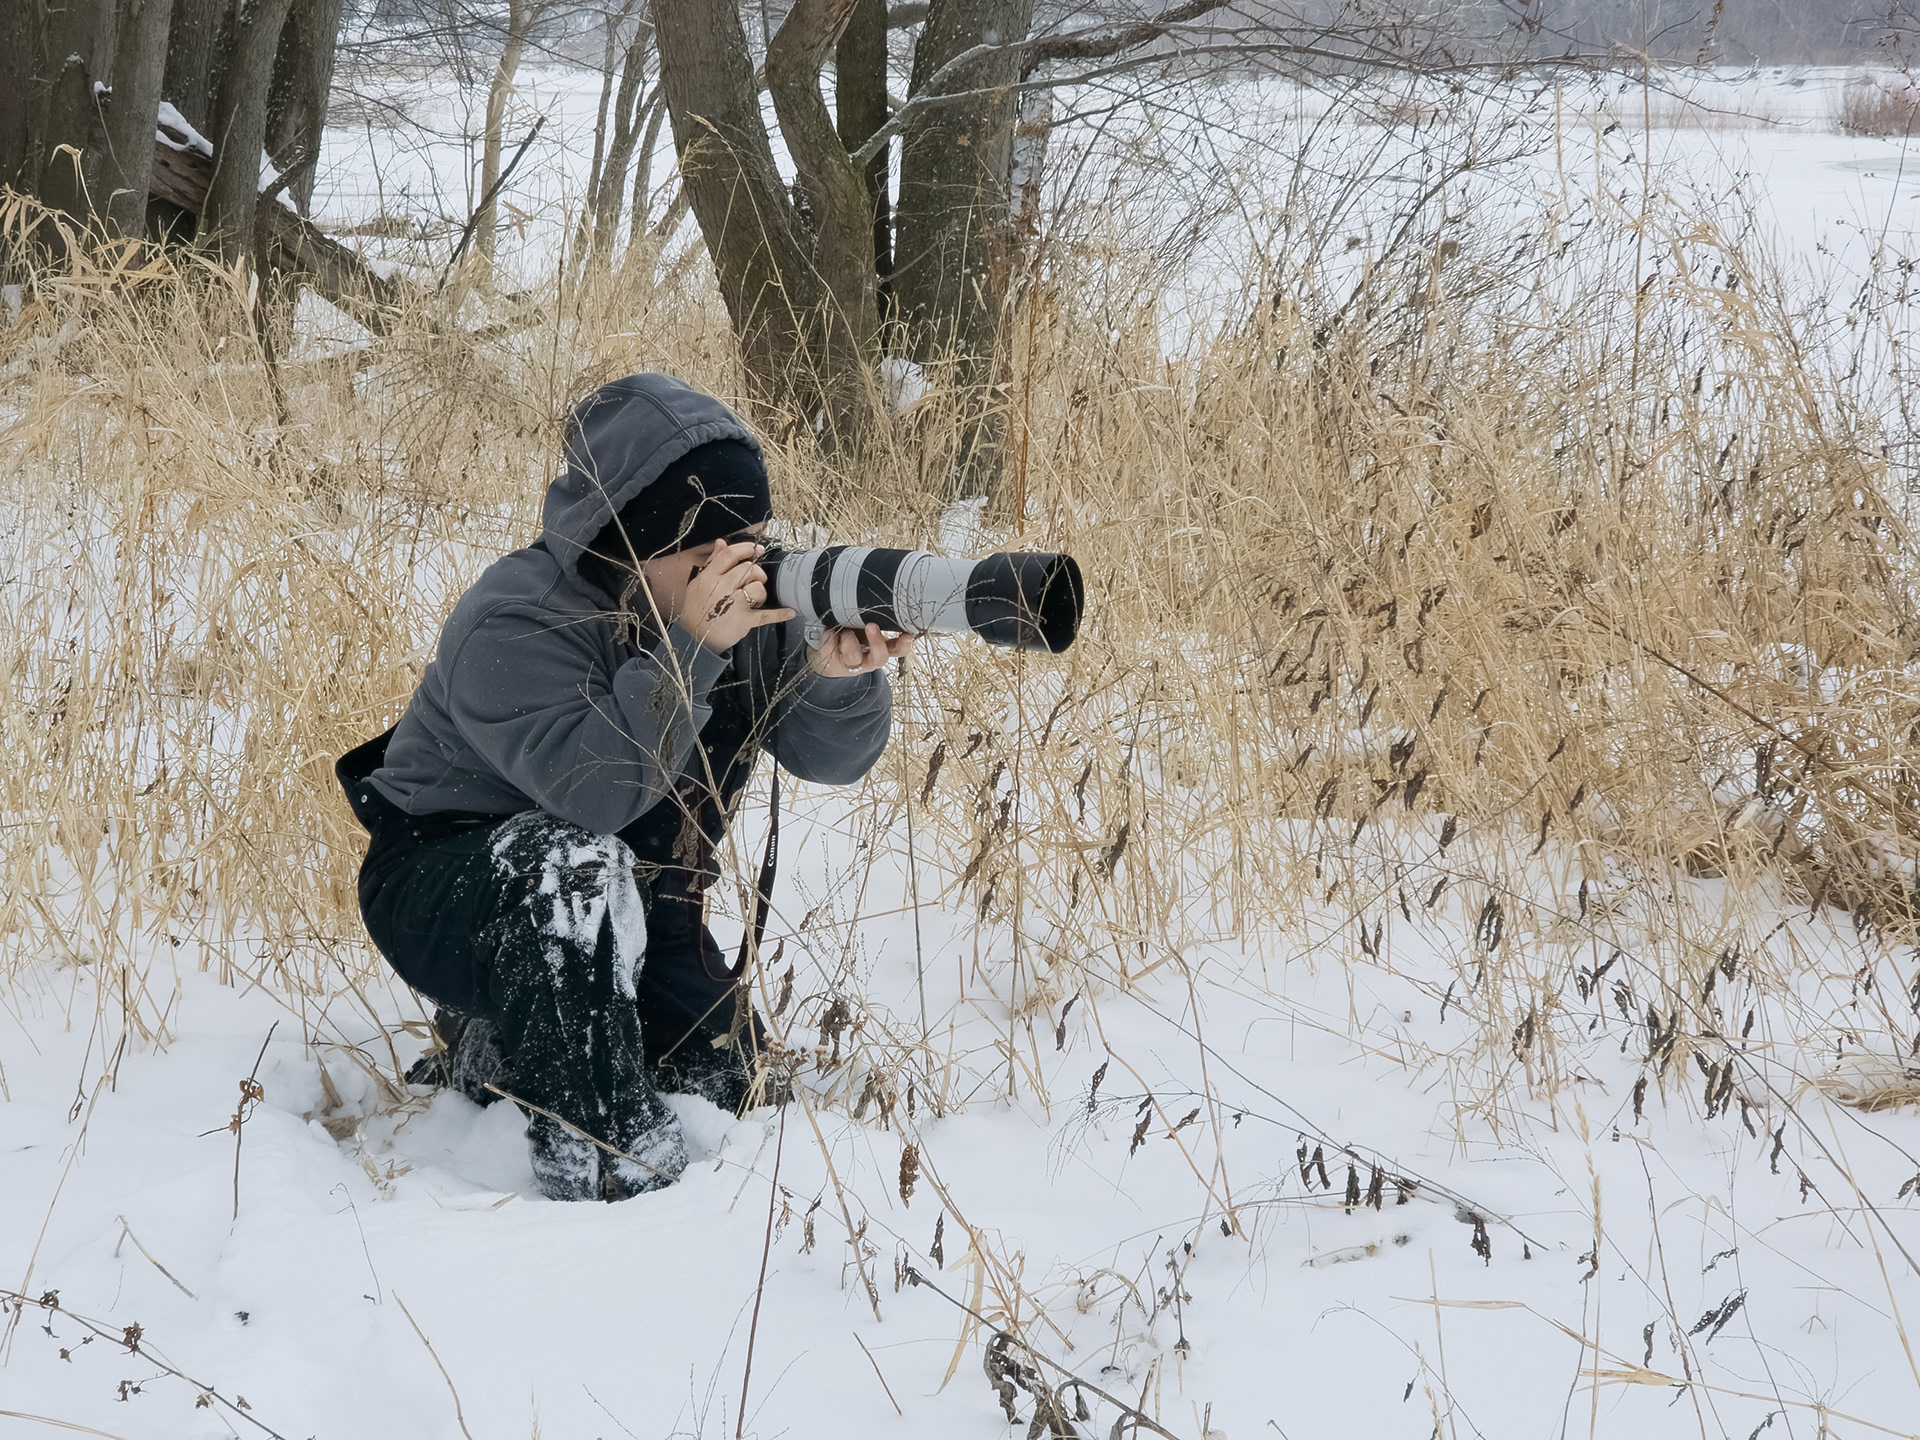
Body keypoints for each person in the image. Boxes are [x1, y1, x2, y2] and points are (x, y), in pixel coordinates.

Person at [335, 373, 915, 1201]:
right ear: (631, 545)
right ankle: (609, 1159)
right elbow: (596, 797)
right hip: (449, 883)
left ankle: (519, 1040)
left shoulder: (736, 607)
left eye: (751, 541)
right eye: (706, 554)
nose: (739, 570)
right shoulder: (513, 619)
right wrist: (692, 650)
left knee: (729, 1087)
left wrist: (832, 676)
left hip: (641, 896)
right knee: (571, 874)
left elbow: (832, 760)